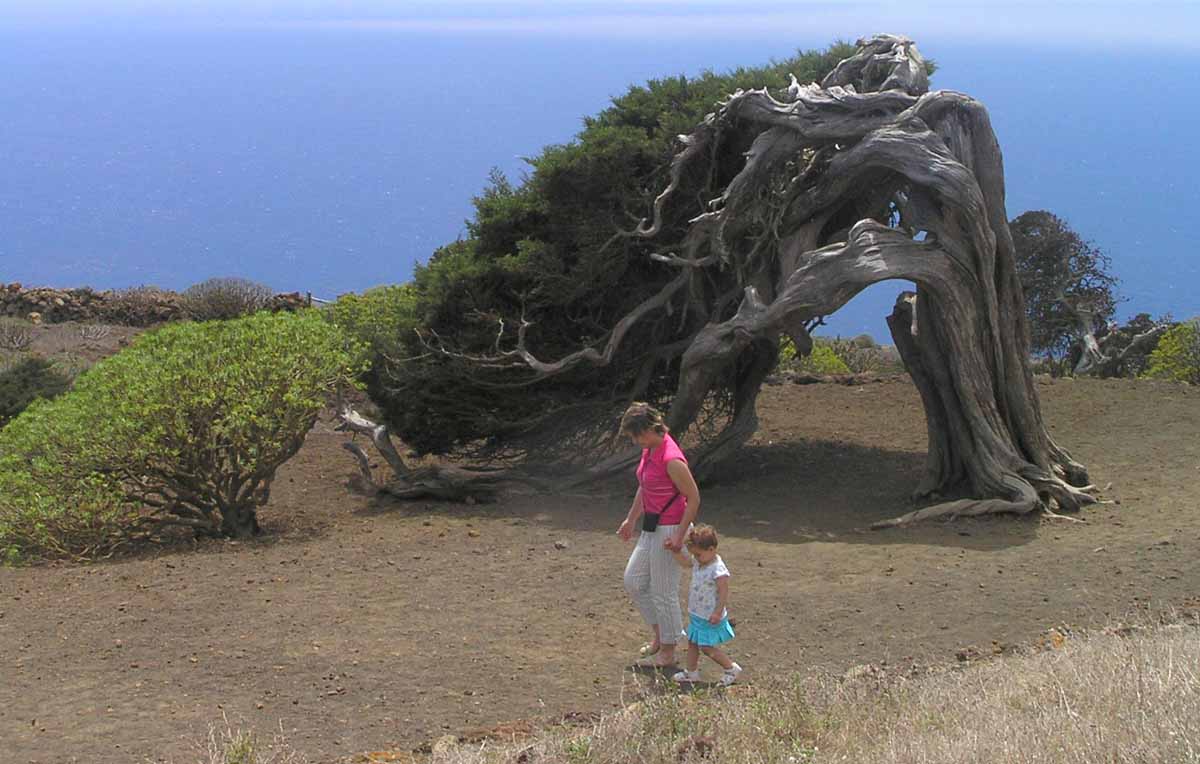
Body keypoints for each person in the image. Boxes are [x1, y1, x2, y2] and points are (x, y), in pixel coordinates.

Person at [617, 402, 700, 669]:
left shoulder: (671, 459)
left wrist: (678, 536)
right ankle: (660, 634)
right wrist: (631, 519)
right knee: (634, 580)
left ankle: (669, 647)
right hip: (651, 527)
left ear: (648, 429)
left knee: (664, 591)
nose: (634, 440)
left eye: (635, 435)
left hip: (670, 528)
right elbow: (645, 486)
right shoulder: (649, 449)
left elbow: (694, 497)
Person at [670, 524, 743, 686]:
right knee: (693, 643)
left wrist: (717, 612)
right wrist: (675, 552)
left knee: (706, 647)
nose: (695, 558)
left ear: (711, 549)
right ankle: (691, 672)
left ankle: (731, 668)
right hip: (698, 614)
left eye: (698, 554)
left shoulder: (718, 570)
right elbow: (686, 563)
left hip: (710, 616)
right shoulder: (700, 562)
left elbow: (723, 592)